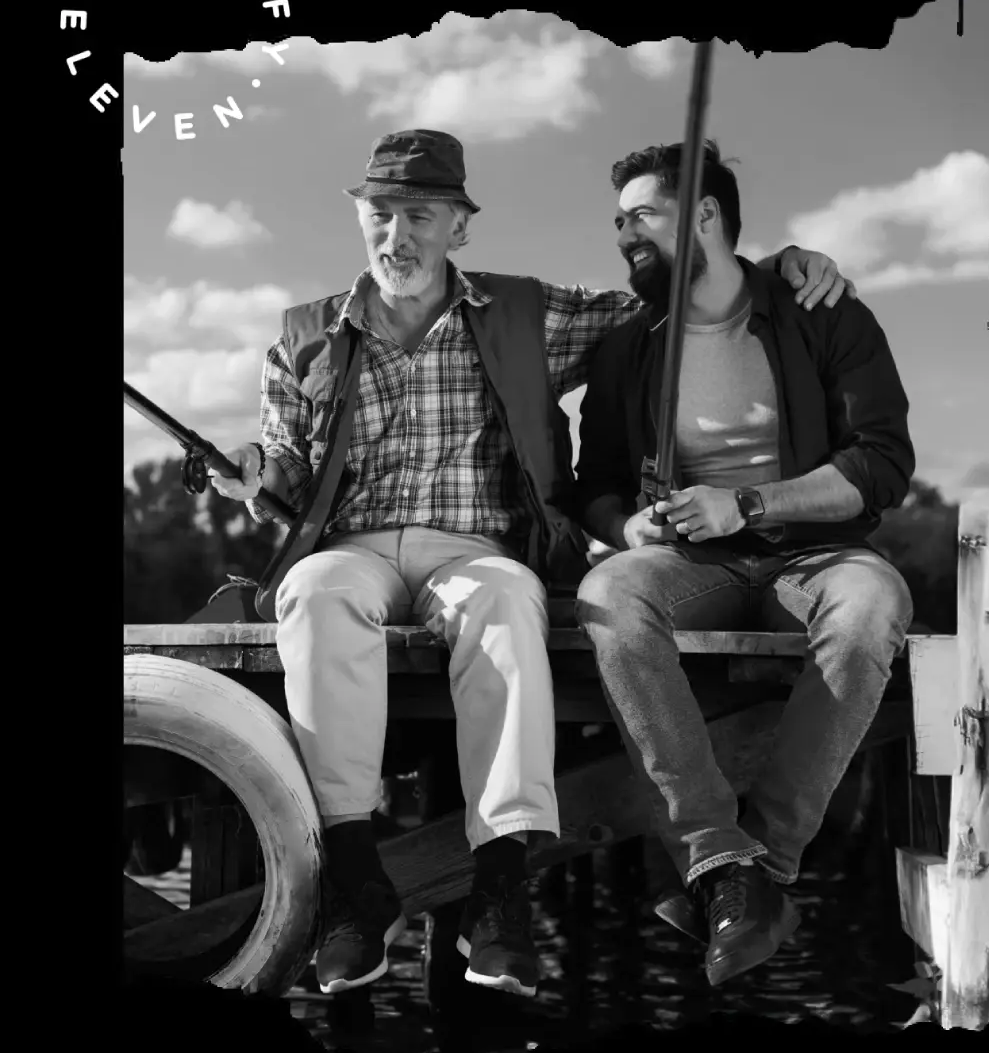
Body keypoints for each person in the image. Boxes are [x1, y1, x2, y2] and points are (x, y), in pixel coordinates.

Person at [209, 129, 854, 1000]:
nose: (397, 236)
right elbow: (284, 465)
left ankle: (501, 888)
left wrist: (772, 263)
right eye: (381, 215)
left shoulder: (527, 311)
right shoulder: (305, 333)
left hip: (478, 550)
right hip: (352, 549)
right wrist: (254, 472)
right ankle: (358, 881)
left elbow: (669, 295)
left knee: (509, 601)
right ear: (360, 217)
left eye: (420, 216)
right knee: (313, 591)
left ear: (458, 228)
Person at [574, 140, 915, 988]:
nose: (625, 234)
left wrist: (752, 502)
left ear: (706, 217)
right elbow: (596, 487)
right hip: (692, 560)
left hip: (818, 552)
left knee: (871, 610)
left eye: (644, 215)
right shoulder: (627, 345)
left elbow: (882, 462)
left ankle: (753, 868)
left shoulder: (821, 310)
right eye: (619, 220)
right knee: (610, 595)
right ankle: (720, 857)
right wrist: (631, 528)